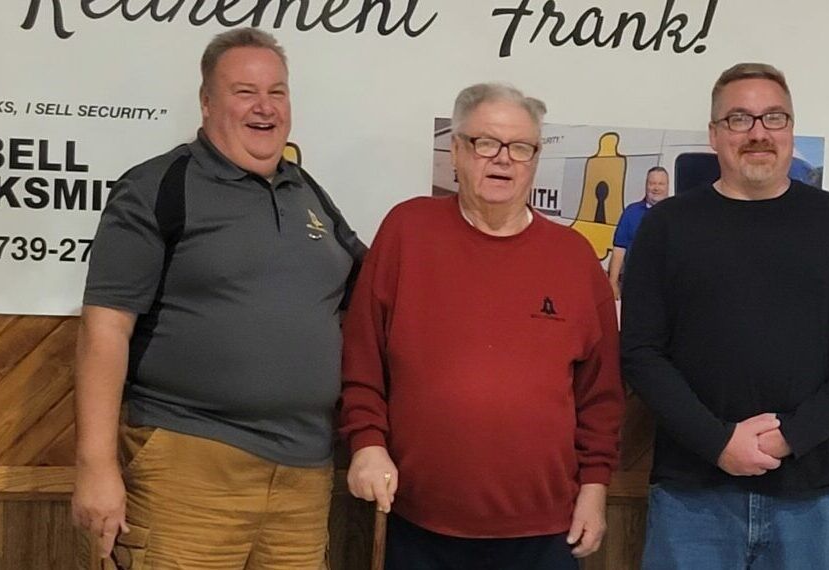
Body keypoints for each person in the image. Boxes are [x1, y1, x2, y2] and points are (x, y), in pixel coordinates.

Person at [71, 27, 364, 569]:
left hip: (305, 473)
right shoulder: (158, 186)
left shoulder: (310, 193)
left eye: (277, 92)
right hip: (190, 462)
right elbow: (104, 328)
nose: (265, 107)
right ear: (206, 102)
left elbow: (370, 294)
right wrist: (95, 465)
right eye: (244, 91)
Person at [339, 82, 624, 570]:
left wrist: (594, 490)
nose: (503, 159)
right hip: (420, 522)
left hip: (545, 530)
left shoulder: (573, 257)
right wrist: (366, 444)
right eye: (485, 143)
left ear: (535, 159)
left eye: (520, 147)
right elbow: (362, 358)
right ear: (456, 151)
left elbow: (601, 394)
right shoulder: (406, 231)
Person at [621, 62, 829, 570]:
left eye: (774, 117)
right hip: (691, 496)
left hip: (811, 495)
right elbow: (640, 352)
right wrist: (717, 441)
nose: (758, 133)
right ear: (714, 134)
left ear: (791, 129)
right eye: (739, 119)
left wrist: (793, 434)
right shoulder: (667, 227)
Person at [608, 166, 669, 299]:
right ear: (646, 185)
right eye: (652, 183)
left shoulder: (677, 213)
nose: (656, 188)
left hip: (667, 287)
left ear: (667, 186)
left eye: (661, 184)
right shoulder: (631, 212)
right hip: (635, 286)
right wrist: (613, 282)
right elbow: (619, 248)